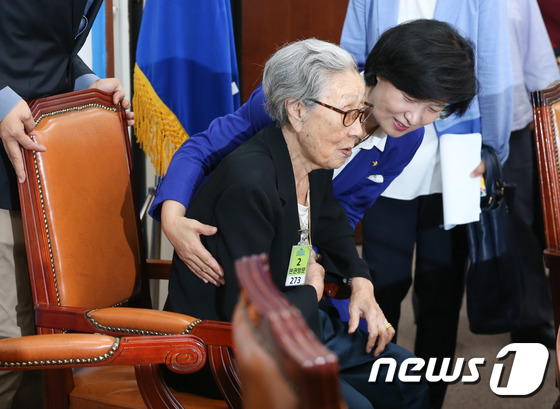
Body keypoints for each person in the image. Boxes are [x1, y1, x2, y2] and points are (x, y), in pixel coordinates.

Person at [163, 37, 431, 409]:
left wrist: (360, 280)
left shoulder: (314, 158)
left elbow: (333, 223)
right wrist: (314, 289)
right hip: (230, 351)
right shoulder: (249, 186)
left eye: (361, 113)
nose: (358, 130)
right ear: (297, 111)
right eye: (348, 114)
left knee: (407, 374)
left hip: (297, 320)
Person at [339, 2, 512, 408]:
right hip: (386, 151)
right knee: (381, 285)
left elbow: (493, 70)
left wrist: (492, 151)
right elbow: (351, 59)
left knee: (442, 292)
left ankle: (428, 399)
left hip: (456, 161)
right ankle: (378, 393)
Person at [0, 2, 134, 408]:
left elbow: (42, 44)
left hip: (46, 175)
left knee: (43, 347)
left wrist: (87, 82)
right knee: (10, 348)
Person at [505, 0, 560, 348]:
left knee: (539, 214)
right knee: (522, 216)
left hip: (538, 88)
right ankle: (531, 318)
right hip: (529, 90)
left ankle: (536, 316)